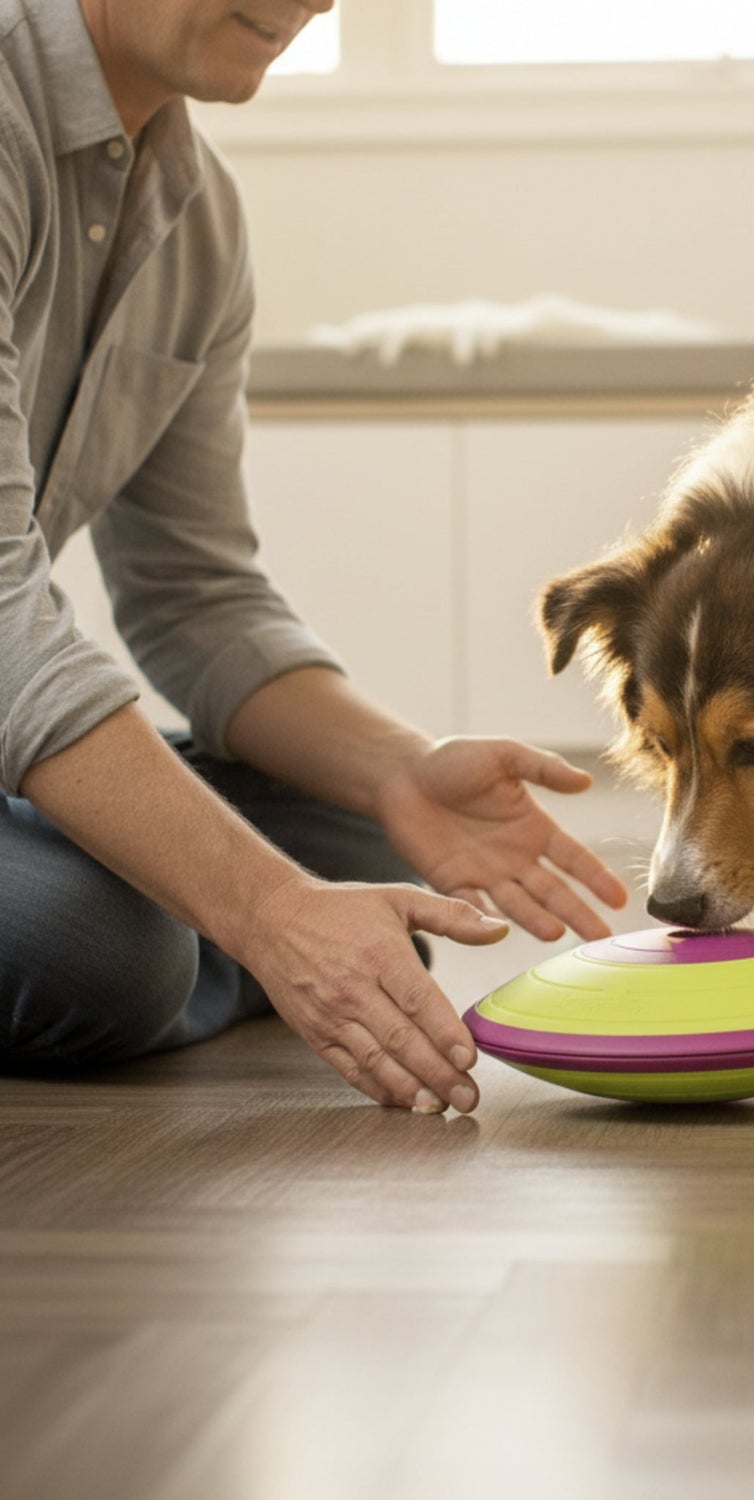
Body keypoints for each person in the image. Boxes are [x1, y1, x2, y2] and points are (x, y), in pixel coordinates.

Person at [0, 0, 629, 1113]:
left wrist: (397, 771)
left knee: (362, 845)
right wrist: (264, 912)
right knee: (112, 951)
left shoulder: (197, 216)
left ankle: (204, 926)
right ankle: (189, 944)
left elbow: (197, 599)